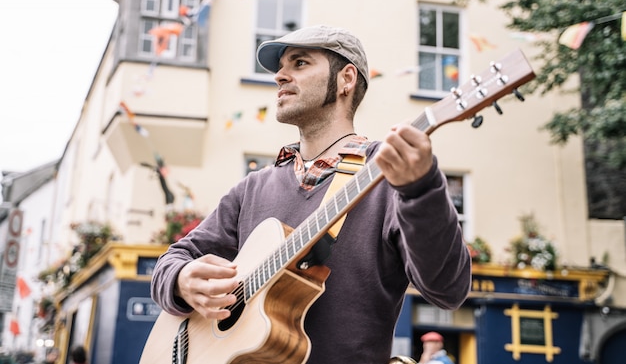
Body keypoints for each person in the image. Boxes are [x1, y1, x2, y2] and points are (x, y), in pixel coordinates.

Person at [150, 25, 471, 363]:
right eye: (280, 68)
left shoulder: (391, 173)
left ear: (346, 79)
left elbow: (448, 290)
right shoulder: (252, 188)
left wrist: (421, 189)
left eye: (299, 63)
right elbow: (171, 261)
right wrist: (181, 281)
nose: (280, 76)